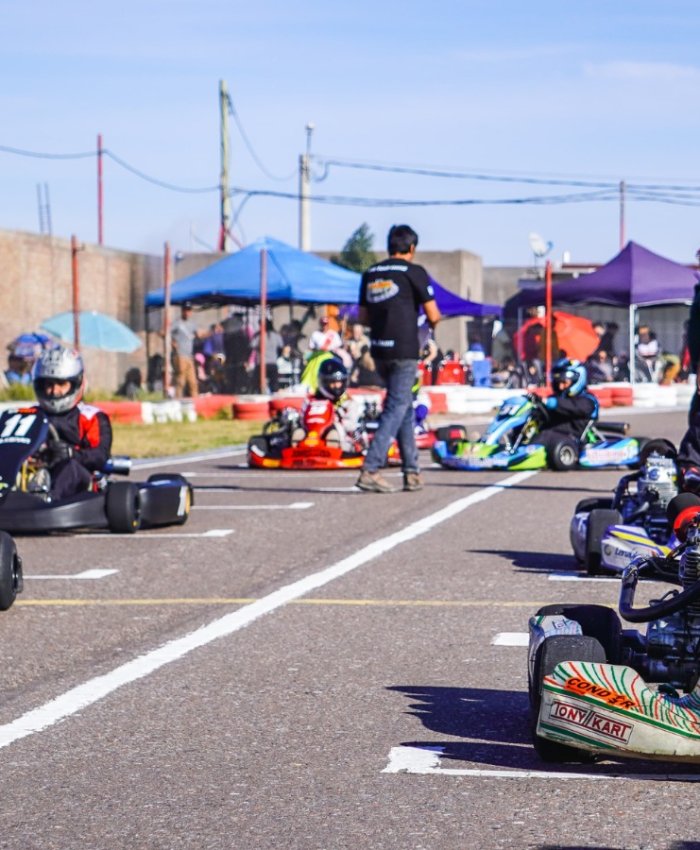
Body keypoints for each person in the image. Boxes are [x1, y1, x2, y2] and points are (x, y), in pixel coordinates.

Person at [355, 224, 441, 493]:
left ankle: (412, 471)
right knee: (396, 407)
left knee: (403, 405)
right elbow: (434, 315)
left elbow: (363, 318)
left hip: (379, 350)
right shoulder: (414, 272)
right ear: (412, 248)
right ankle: (371, 467)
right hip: (404, 350)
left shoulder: (370, 273)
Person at [32, 347, 112, 501]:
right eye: (49, 384)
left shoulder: (90, 416)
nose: (54, 391)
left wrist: (70, 453)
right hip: (36, 471)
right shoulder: (32, 415)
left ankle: (48, 501)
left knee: (70, 468)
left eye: (61, 384)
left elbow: (100, 455)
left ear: (76, 383)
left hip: (78, 475)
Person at [532, 358, 598, 452]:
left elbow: (573, 407)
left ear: (577, 379)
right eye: (558, 383)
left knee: (545, 435)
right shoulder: (558, 398)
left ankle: (526, 454)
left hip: (572, 438)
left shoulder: (588, 400)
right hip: (554, 435)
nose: (560, 387)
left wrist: (550, 403)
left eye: (564, 382)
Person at [171, 302, 200, 398]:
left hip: (189, 356)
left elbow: (198, 335)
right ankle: (176, 402)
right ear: (182, 311)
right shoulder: (177, 323)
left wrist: (211, 331)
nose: (187, 312)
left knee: (193, 382)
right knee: (180, 381)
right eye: (185, 310)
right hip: (180, 355)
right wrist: (172, 342)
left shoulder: (192, 324)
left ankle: (196, 404)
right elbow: (165, 332)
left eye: (189, 310)